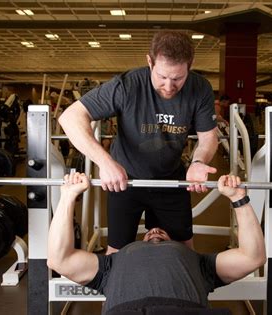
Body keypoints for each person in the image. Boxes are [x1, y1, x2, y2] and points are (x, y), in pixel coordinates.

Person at [59, 31, 219, 254]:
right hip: (125, 180)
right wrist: (104, 163)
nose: (169, 86)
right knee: (116, 252)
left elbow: (208, 136)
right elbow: (70, 117)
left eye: (178, 78)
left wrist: (199, 160)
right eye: (162, 76)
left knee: (184, 251)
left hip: (170, 180)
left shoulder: (200, 88)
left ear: (189, 67)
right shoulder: (127, 86)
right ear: (149, 61)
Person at [47, 172, 266, 315]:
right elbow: (58, 260)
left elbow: (252, 257)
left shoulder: (200, 263)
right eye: (152, 233)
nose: (153, 231)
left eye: (154, 233)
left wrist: (239, 198)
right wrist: (67, 196)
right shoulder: (110, 265)